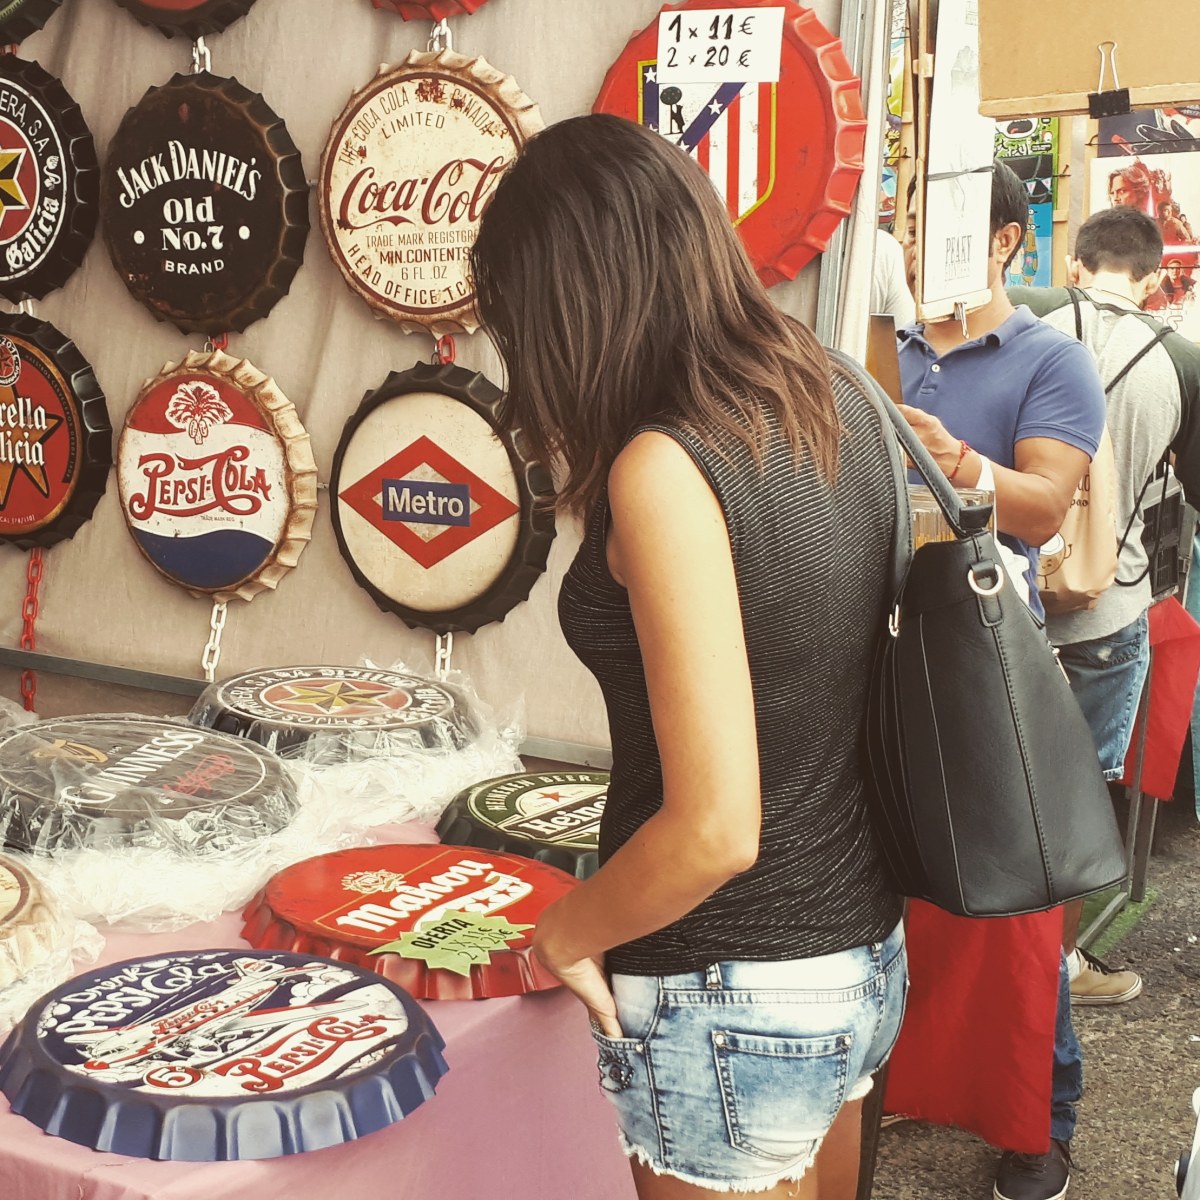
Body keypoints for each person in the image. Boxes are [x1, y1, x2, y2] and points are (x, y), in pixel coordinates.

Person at [471, 112, 907, 1200]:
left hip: (733, 992)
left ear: (573, 303)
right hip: (856, 959)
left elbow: (717, 828)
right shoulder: (833, 390)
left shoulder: (666, 465)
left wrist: (565, 931)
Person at [896, 161, 1107, 1200]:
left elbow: (1045, 508)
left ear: (1004, 243)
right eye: (904, 224)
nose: (914, 246)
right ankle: (887, 1072)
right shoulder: (867, 348)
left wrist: (961, 465)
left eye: (939, 230)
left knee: (1013, 895)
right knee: (890, 884)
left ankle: (1042, 1123)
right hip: (870, 650)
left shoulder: (1049, 355)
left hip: (988, 663)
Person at [1010, 205, 1200, 1005]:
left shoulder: (1034, 317)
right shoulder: (1185, 360)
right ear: (1156, 280)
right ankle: (1058, 967)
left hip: (1009, 598)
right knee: (1078, 799)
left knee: (997, 785)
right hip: (1108, 609)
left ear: (1078, 264)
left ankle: (996, 969)